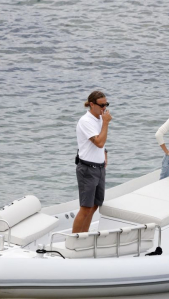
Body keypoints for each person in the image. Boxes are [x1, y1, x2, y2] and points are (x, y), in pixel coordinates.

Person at [72, 91, 112, 233]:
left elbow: (102, 143)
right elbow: (99, 142)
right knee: (85, 207)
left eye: (106, 104)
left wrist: (105, 154)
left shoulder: (100, 119)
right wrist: (106, 122)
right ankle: (75, 240)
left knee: (94, 205)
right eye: (101, 105)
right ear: (92, 104)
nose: (104, 108)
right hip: (87, 169)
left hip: (99, 168)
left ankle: (84, 235)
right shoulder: (86, 121)